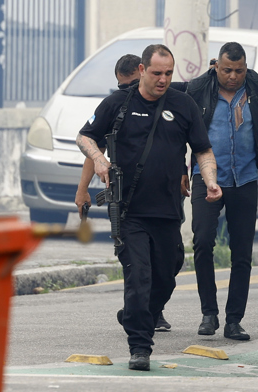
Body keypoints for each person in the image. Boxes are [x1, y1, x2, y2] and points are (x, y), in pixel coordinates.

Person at [76, 44, 222, 371]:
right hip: (130, 212)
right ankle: (140, 346)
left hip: (168, 211)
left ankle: (134, 314)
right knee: (139, 277)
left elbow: (203, 151)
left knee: (167, 276)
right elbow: (85, 136)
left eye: (168, 73)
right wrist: (98, 158)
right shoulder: (119, 103)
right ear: (142, 70)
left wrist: (210, 180)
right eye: (156, 73)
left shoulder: (183, 105)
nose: (163, 80)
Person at [185, 41, 258, 341]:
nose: (233, 76)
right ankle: (208, 313)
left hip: (245, 179)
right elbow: (178, 128)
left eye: (239, 70)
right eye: (227, 70)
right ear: (216, 66)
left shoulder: (254, 85)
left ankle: (233, 320)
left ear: (246, 68)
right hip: (207, 176)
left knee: (242, 253)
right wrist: (178, 169)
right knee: (202, 242)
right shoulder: (199, 88)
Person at [74, 53, 182, 333]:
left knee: (173, 262)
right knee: (137, 266)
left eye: (133, 84)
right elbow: (92, 145)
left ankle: (146, 310)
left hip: (165, 202)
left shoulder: (172, 96)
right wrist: (83, 188)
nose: (130, 91)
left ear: (143, 72)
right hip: (128, 201)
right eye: (124, 86)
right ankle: (142, 321)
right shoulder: (119, 106)